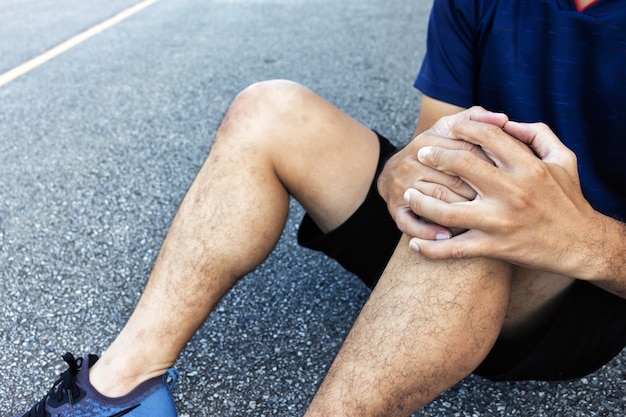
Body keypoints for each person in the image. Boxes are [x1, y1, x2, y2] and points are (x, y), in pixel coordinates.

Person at [12, 0, 626, 416]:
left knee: (475, 212)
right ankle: (121, 389)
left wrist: (570, 235)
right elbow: (436, 143)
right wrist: (399, 175)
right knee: (269, 109)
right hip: (460, 225)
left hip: (585, 277)